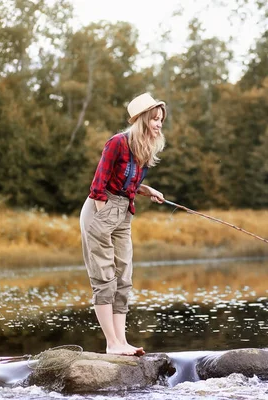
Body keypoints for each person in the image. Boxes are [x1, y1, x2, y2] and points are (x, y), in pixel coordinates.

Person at [79, 93, 166, 356]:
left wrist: (147, 190)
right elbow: (98, 183)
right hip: (101, 210)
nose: (159, 124)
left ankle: (122, 341)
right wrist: (104, 209)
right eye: (155, 119)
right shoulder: (118, 143)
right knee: (104, 278)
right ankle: (111, 343)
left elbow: (128, 183)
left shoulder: (143, 147)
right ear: (142, 120)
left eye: (161, 119)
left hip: (124, 212)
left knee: (124, 277)